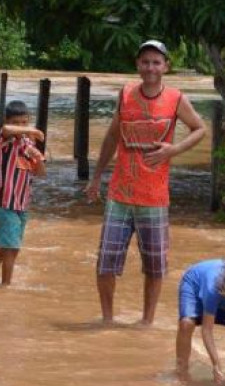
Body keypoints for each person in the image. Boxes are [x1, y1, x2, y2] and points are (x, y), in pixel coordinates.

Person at [84, 40, 206, 325]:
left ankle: (147, 322)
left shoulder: (176, 98)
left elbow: (199, 129)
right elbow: (113, 137)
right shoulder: (125, 94)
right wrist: (97, 176)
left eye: (156, 62)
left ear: (166, 66)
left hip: (154, 197)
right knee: (105, 263)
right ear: (137, 65)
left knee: (154, 266)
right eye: (145, 62)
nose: (150, 67)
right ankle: (107, 320)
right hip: (119, 194)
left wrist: (173, 150)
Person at [0, 100, 46, 285]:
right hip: (6, 203)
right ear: (8, 121)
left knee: (10, 247)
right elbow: (6, 130)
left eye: (24, 122)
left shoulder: (27, 145)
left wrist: (38, 158)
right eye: (17, 123)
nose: (21, 127)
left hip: (22, 204)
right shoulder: (5, 140)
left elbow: (40, 173)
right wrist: (31, 130)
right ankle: (5, 286)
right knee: (10, 247)